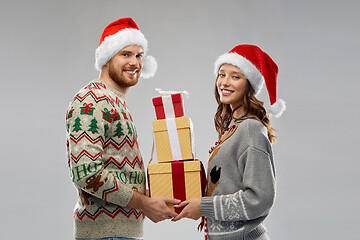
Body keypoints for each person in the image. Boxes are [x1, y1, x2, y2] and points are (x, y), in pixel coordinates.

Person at [66, 17, 180, 240]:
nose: (135, 62)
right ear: (107, 58)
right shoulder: (91, 101)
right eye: (125, 54)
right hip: (105, 236)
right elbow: (86, 174)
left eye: (139, 55)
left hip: (122, 234)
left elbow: (121, 172)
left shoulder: (114, 102)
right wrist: (144, 203)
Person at [172, 44, 286, 240]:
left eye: (235, 76)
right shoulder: (234, 127)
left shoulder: (250, 129)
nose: (224, 82)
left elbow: (260, 198)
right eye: (222, 74)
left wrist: (204, 206)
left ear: (249, 84)